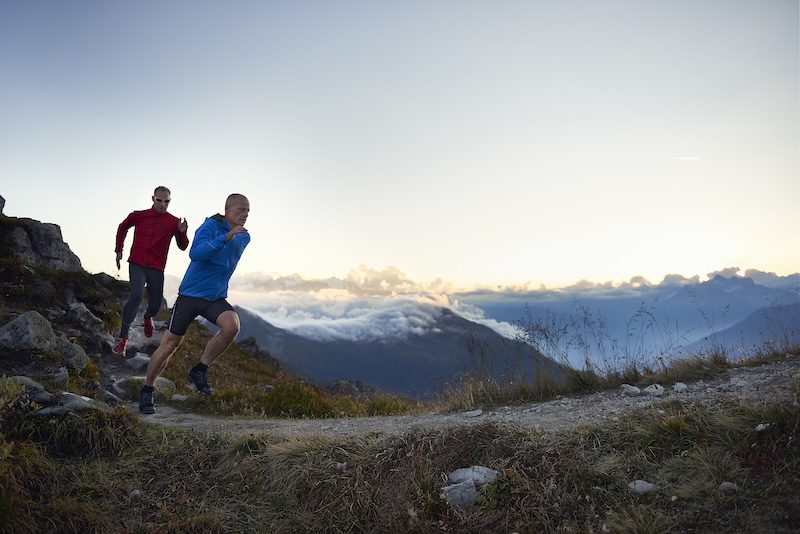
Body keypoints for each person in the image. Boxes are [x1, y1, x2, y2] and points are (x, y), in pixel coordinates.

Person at [138, 193, 251, 414]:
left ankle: (199, 369)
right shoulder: (208, 227)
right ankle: (147, 389)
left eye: (248, 211)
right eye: (240, 210)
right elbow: (197, 254)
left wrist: (232, 236)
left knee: (232, 326)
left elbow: (224, 264)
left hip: (215, 298)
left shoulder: (244, 237)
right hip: (190, 296)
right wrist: (225, 237)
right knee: (170, 345)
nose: (245, 215)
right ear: (227, 209)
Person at [114, 186, 189, 355]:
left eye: (167, 201)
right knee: (136, 295)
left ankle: (147, 317)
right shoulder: (139, 216)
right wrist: (119, 249)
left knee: (155, 306)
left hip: (156, 267)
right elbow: (122, 227)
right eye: (159, 200)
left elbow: (183, 246)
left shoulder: (173, 222)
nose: (163, 204)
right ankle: (122, 339)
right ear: (152, 199)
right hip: (137, 263)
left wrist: (182, 232)